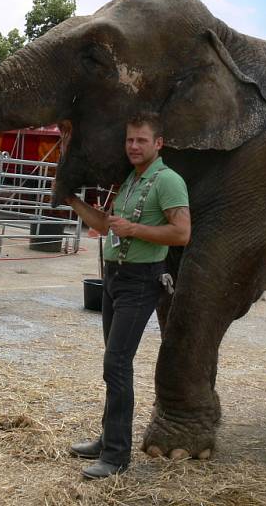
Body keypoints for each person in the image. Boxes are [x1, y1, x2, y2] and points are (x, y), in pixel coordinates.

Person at [64, 111, 191, 479]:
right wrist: (71, 199)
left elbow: (181, 234)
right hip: (115, 276)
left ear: (158, 143)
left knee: (116, 364)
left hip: (141, 279)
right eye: (129, 140)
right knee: (113, 362)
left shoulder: (168, 181)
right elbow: (106, 226)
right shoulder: (132, 180)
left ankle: (117, 455)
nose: (133, 146)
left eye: (141, 140)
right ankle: (108, 440)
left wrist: (134, 228)